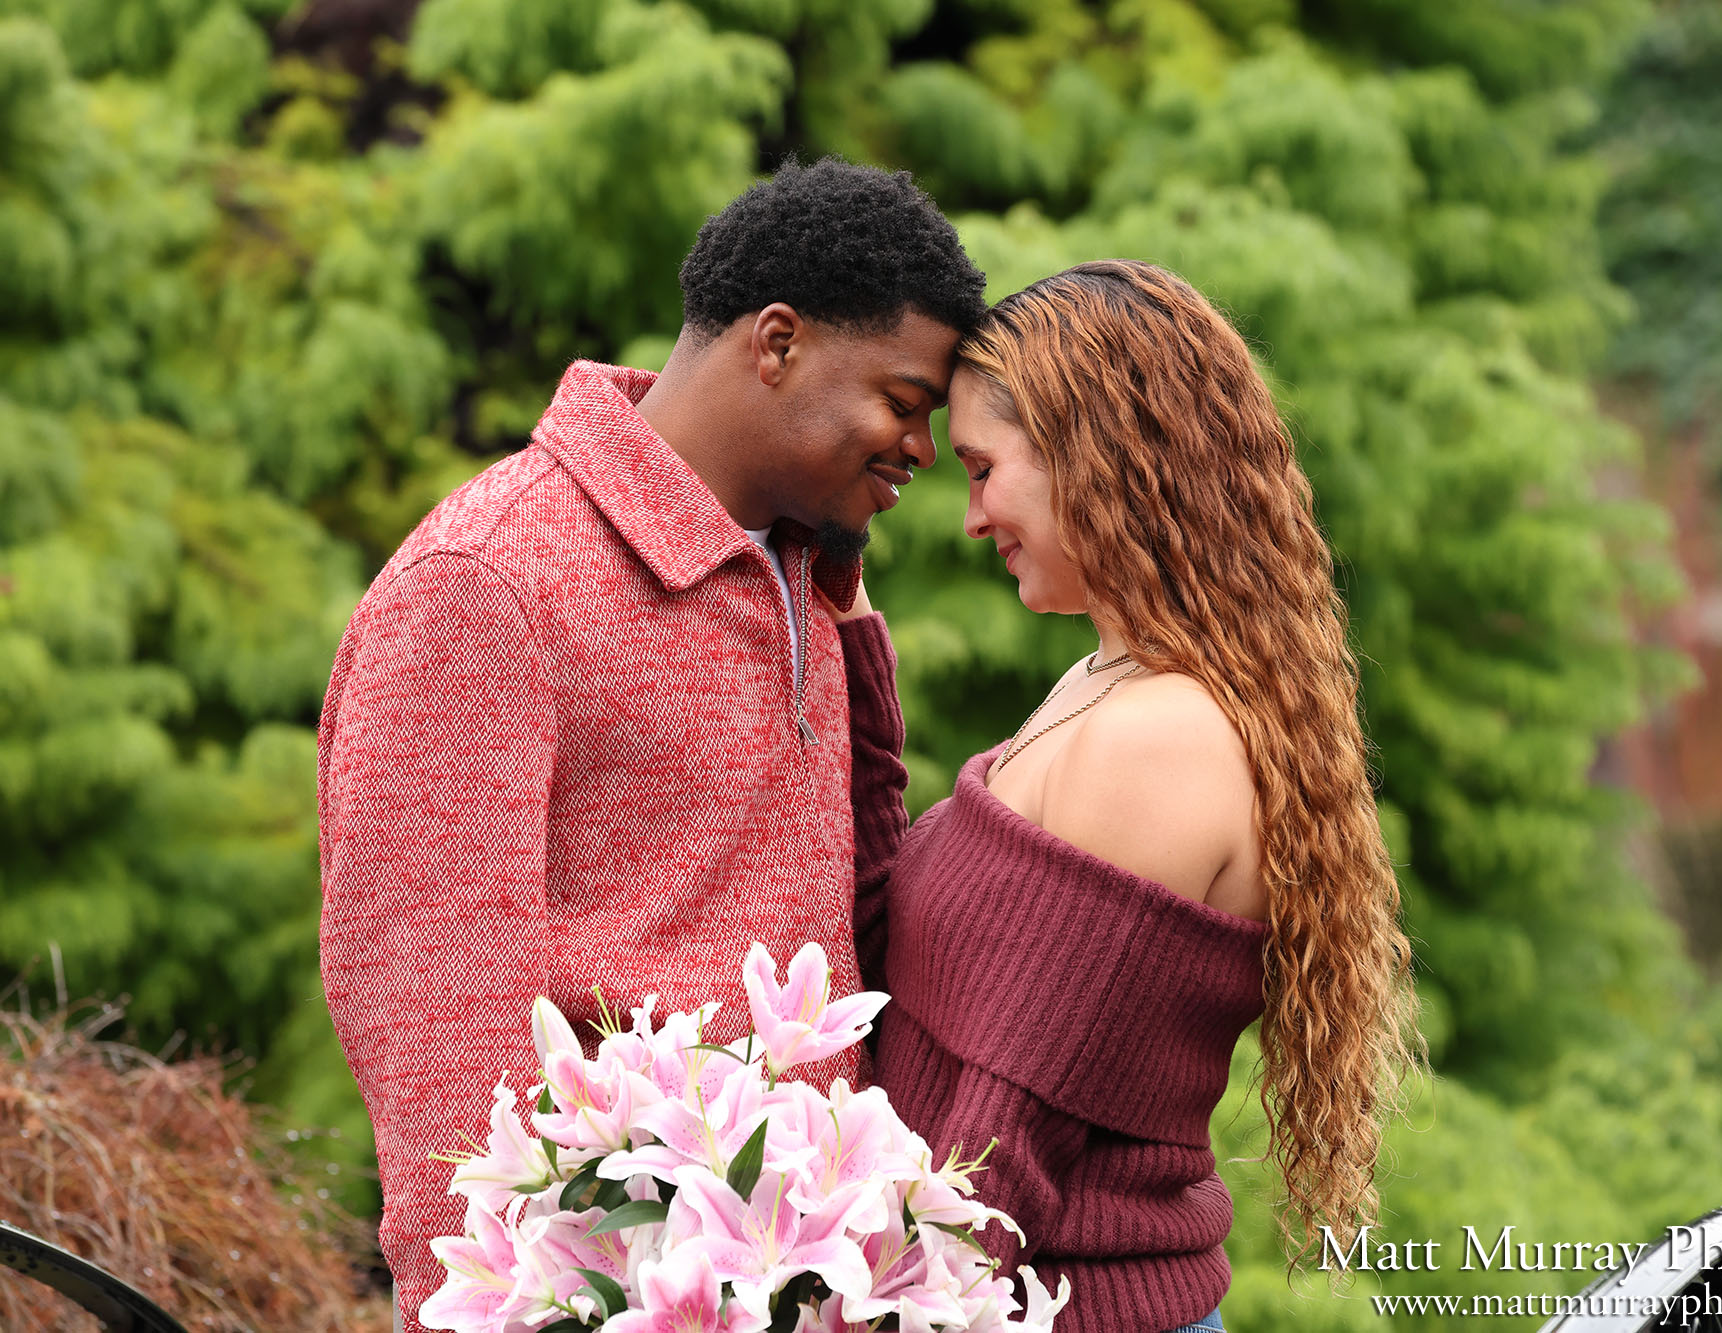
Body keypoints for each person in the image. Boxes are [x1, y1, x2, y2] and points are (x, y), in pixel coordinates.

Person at [317, 158, 987, 1330]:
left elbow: (857, 891)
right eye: (901, 399)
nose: (919, 449)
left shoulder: (794, 561)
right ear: (774, 344)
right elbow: (433, 1025)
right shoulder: (488, 580)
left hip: (803, 1275)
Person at [830, 260, 1423, 1333]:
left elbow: (998, 1161)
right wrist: (855, 641)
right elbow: (884, 937)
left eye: (981, 469)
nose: (971, 518)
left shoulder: (1162, 741)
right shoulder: (1108, 681)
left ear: (1087, 456)